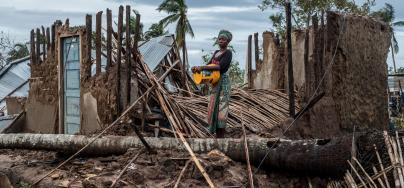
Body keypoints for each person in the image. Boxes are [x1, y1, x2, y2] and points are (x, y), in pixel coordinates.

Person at [192, 30, 233, 138]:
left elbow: (220, 67)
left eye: (223, 39)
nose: (221, 41)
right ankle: (213, 133)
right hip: (215, 82)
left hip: (223, 82)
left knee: (222, 108)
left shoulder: (228, 53)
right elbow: (209, 65)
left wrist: (203, 67)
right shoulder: (216, 53)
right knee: (212, 105)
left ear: (227, 42)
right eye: (219, 39)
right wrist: (198, 69)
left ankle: (221, 136)